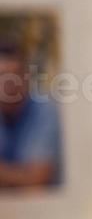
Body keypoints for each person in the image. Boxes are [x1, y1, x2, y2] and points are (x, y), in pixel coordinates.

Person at [0, 40, 61, 188]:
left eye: (15, 74)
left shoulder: (45, 110)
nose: (9, 83)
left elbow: (36, 181)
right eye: (2, 75)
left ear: (27, 76)